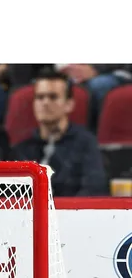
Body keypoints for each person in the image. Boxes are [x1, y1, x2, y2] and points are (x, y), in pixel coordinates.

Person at [10, 69, 108, 197]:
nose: (45, 103)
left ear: (69, 104)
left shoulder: (86, 143)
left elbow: (94, 189)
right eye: (40, 97)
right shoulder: (23, 147)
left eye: (53, 97)